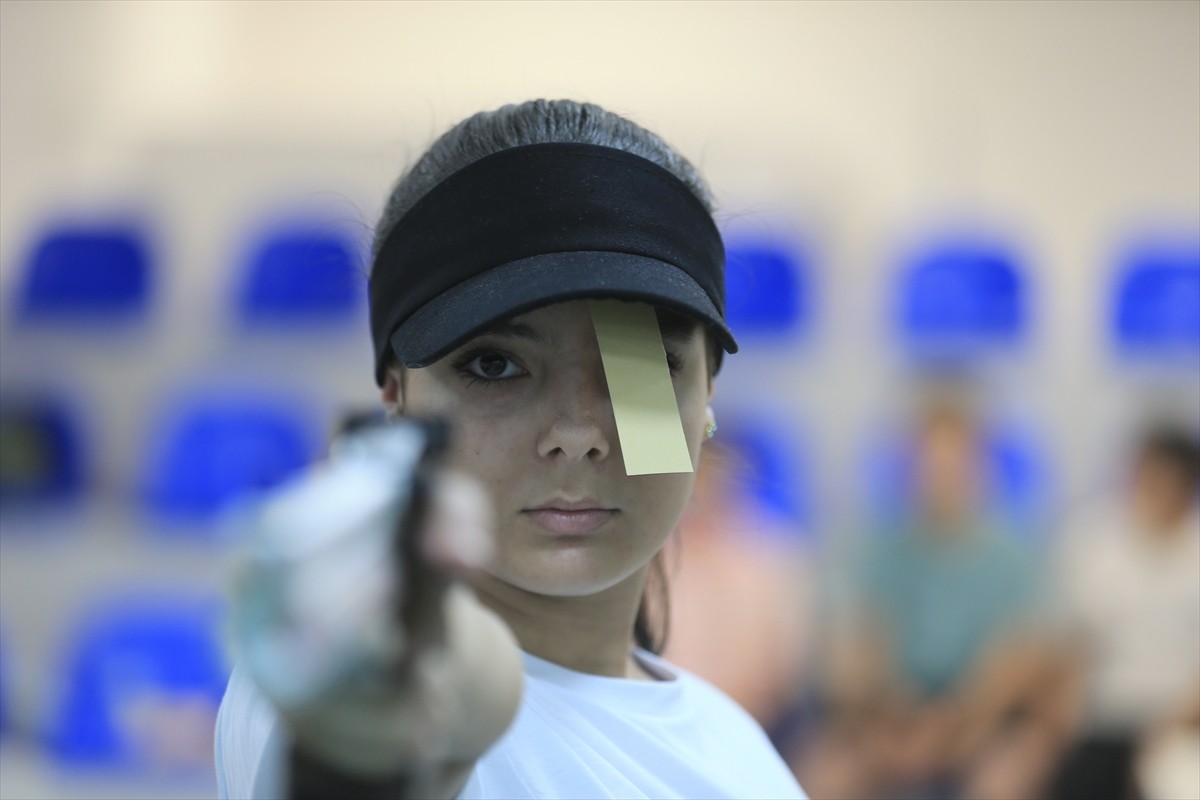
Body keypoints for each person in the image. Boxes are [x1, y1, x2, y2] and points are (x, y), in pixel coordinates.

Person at [214, 99, 808, 800]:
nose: (578, 434)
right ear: (397, 400)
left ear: (706, 396)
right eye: (495, 365)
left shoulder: (737, 750)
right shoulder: (344, 681)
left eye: (640, 367)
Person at [795, 399, 1060, 800]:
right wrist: (881, 727)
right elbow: (859, 649)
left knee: (1002, 782)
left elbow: (1015, 666)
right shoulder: (875, 550)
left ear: (981, 469)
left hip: (980, 725)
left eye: (954, 465)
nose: (941, 478)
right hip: (889, 716)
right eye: (930, 465)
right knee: (823, 778)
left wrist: (955, 731)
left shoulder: (1013, 559)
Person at [1047, 425, 1200, 800]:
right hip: (1104, 721)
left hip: (1183, 722)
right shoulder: (1095, 541)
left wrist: (1176, 723)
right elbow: (1074, 642)